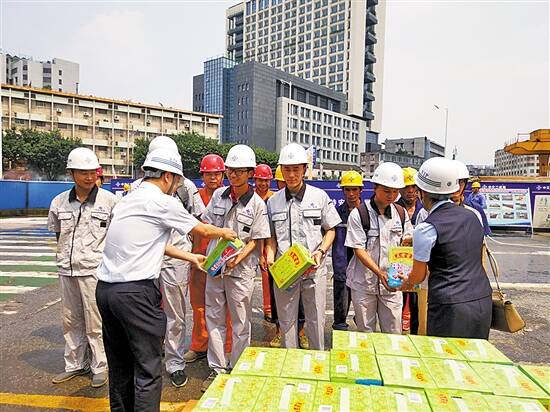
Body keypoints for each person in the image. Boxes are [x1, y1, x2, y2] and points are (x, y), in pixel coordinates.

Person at [96, 147, 236, 412]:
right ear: (168, 176)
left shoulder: (129, 199)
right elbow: (203, 229)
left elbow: (149, 242)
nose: (177, 187)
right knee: (148, 369)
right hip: (135, 294)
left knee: (121, 366)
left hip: (106, 292)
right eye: (177, 181)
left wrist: (190, 257)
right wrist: (226, 233)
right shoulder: (163, 201)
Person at [202, 145, 271, 391]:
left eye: (239, 171)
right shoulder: (218, 196)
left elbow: (256, 240)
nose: (233, 175)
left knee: (241, 321)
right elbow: (206, 226)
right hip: (215, 268)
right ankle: (217, 367)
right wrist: (217, 241)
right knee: (214, 317)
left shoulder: (257, 204)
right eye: (230, 170)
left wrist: (237, 259)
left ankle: (238, 365)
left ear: (250, 173)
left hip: (240, 271)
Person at [402, 157, 492, 339]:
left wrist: (405, 280)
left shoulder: (426, 228)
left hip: (449, 306)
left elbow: (418, 276)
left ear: (421, 192)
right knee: (475, 354)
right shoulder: (473, 217)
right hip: (482, 300)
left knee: (446, 355)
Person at [48, 148, 116, 388]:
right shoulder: (59, 202)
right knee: (70, 320)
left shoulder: (110, 201)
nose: (89, 177)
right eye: (83, 173)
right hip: (67, 270)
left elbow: (115, 238)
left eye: (92, 172)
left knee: (95, 321)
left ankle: (100, 366)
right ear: (71, 173)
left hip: (94, 271)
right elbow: (58, 234)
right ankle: (75, 364)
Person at [265, 143, 341, 350]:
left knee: (316, 320)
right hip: (285, 271)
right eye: (287, 169)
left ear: (304, 169)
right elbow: (272, 237)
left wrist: (321, 251)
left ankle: (318, 361)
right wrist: (270, 256)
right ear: (281, 170)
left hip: (313, 270)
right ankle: (290, 360)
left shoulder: (319, 197)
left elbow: (331, 230)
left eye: (296, 169)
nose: (291, 175)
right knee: (286, 322)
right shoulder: (273, 202)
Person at [344, 162, 413, 333]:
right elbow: (358, 249)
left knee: (393, 332)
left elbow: (407, 240)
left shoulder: (401, 213)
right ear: (375, 187)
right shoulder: (359, 214)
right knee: (365, 331)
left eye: (395, 191)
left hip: (392, 284)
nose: (392, 196)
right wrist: (379, 273)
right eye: (387, 191)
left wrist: (409, 242)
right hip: (364, 284)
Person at [185, 154, 233, 363]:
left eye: (217, 174)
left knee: (226, 306)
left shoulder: (230, 196)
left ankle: (227, 348)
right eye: (208, 174)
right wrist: (192, 258)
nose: (213, 178)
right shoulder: (194, 197)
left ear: (223, 174)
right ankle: (199, 345)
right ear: (202, 175)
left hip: (222, 259)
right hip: (199, 259)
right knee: (198, 306)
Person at [331, 170, 363, 331]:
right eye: (347, 189)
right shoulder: (336, 214)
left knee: (364, 312)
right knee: (340, 311)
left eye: (354, 189)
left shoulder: (367, 213)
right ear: (342, 190)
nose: (351, 194)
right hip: (341, 268)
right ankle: (339, 334)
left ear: (361, 190)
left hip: (363, 268)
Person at [396, 167, 424, 335]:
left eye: (414, 186)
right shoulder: (393, 209)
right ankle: (397, 331)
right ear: (400, 189)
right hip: (398, 262)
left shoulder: (425, 209)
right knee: (397, 299)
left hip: (419, 261)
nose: (410, 190)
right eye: (406, 187)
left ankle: (415, 332)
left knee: (416, 301)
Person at [254, 164, 275, 321]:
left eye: (266, 180)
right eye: (260, 180)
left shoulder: (274, 198)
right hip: (250, 241)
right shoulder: (250, 197)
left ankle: (269, 309)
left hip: (269, 241)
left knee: (268, 275)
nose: (263, 183)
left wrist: (266, 250)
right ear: (255, 180)